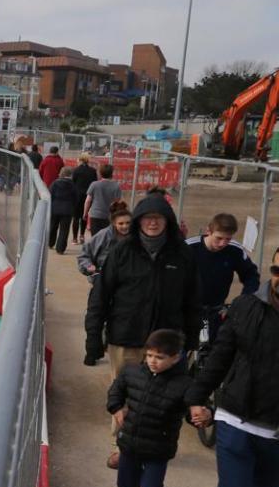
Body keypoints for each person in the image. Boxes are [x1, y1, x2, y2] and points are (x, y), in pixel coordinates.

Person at [185, 246, 279, 487]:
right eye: (277, 267)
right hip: (236, 420)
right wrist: (195, 397)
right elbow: (220, 356)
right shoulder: (245, 307)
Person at [85, 193, 201, 469]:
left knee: (162, 398)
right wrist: (93, 337)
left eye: (158, 218)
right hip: (126, 336)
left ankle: (154, 447)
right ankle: (121, 446)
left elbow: (193, 299)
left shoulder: (182, 255)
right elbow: (100, 296)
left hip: (166, 340)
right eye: (147, 218)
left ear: (167, 222)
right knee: (123, 393)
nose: (152, 223)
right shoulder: (121, 253)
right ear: (138, 222)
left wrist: (192, 338)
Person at [108, 328, 200, 487]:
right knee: (126, 485)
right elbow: (115, 392)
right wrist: (117, 408)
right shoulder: (132, 372)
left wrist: (202, 415)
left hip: (158, 450)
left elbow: (193, 410)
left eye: (159, 357)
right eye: (149, 355)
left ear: (176, 358)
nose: (152, 361)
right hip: (129, 445)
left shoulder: (184, 384)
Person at [186, 213, 260, 343]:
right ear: (208, 231)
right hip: (188, 310)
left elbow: (251, 275)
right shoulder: (188, 248)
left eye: (228, 239)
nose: (222, 243)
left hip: (217, 310)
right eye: (219, 238)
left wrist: (244, 300)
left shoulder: (235, 250)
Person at [77, 200, 132, 279]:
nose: (125, 226)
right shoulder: (103, 236)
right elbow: (84, 256)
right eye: (121, 223)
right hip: (104, 281)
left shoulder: (135, 237)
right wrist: (89, 266)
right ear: (113, 222)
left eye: (128, 223)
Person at [48, 166, 79, 254]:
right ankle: (60, 248)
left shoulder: (55, 183)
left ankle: (50, 242)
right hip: (67, 210)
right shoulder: (72, 185)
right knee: (64, 230)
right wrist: (73, 207)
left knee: (53, 226)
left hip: (55, 208)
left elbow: (50, 194)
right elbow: (76, 198)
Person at [84, 164, 121, 235]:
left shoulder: (94, 184)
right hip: (108, 215)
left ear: (100, 173)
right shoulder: (116, 186)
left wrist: (85, 213)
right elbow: (117, 202)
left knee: (95, 237)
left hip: (95, 214)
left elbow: (88, 201)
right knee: (107, 237)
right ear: (111, 173)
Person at [71, 153, 99, 244]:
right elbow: (95, 182)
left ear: (81, 160)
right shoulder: (93, 171)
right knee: (84, 215)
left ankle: (74, 238)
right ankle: (82, 236)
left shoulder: (76, 170)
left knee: (76, 217)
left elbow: (73, 182)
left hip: (77, 196)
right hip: (88, 196)